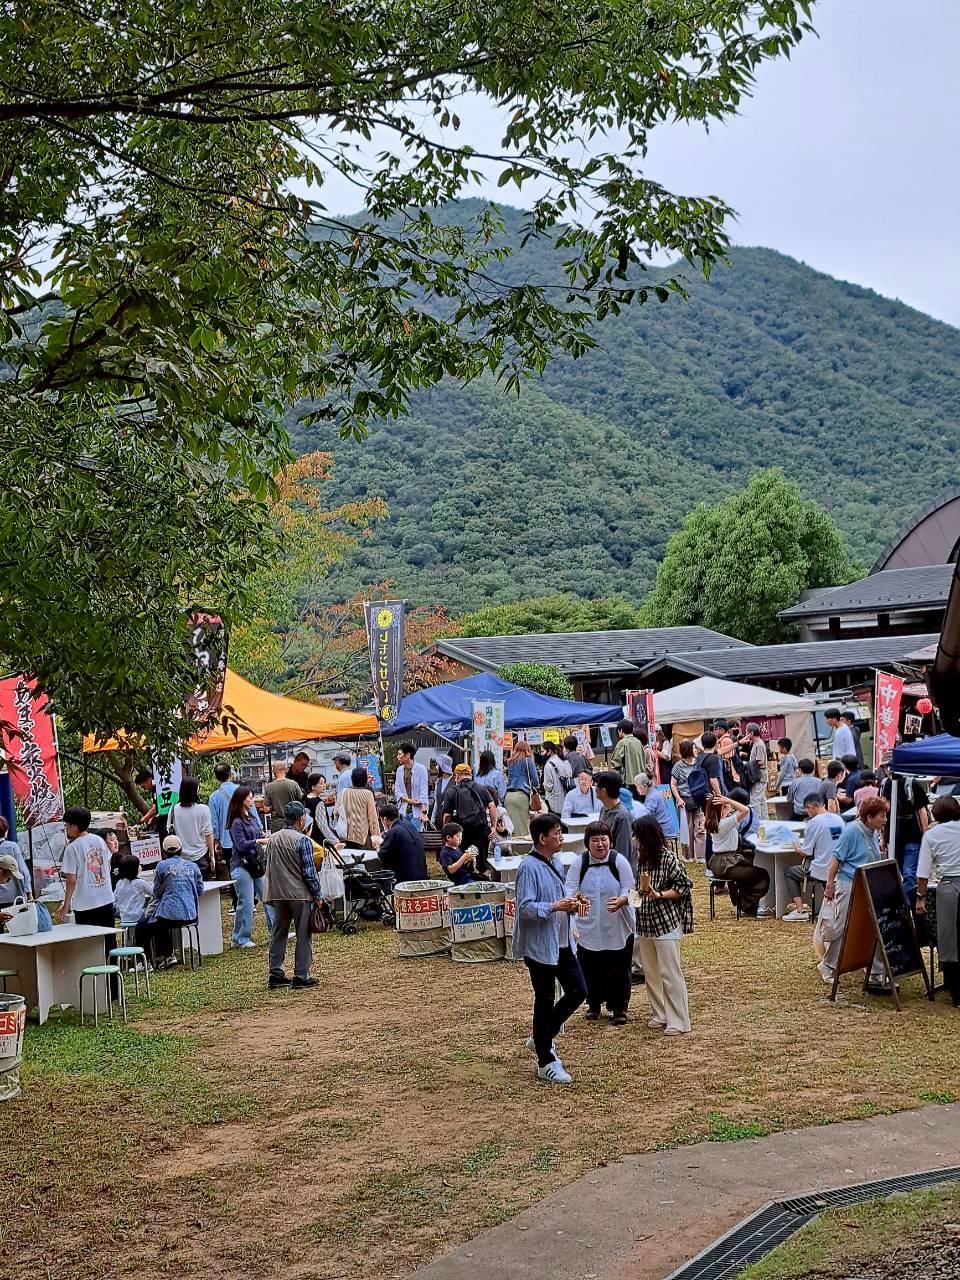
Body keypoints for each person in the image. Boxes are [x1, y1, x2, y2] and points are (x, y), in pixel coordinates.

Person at [514, 814, 586, 1084]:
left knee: (579, 991)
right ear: (542, 838)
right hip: (540, 946)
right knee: (544, 999)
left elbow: (559, 898)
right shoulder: (528, 868)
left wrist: (572, 904)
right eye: (556, 833)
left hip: (562, 941)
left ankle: (542, 1035)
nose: (561, 837)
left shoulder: (556, 861)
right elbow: (525, 908)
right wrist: (556, 906)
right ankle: (545, 1061)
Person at [564, 821, 635, 1024]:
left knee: (619, 967)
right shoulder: (581, 862)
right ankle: (593, 1003)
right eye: (595, 840)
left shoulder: (618, 861)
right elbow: (570, 887)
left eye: (604, 839)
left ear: (610, 841)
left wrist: (622, 900)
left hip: (616, 924)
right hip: (589, 925)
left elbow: (630, 887)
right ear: (587, 843)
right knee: (590, 966)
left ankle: (619, 1007)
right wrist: (575, 900)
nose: (600, 844)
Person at [819, 796, 890, 986]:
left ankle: (876, 970)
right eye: (881, 816)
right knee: (843, 926)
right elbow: (835, 860)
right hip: (849, 884)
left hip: (868, 884)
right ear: (869, 817)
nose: (885, 819)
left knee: (871, 927)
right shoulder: (851, 831)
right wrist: (829, 886)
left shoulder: (873, 832)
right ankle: (828, 964)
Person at [632, 814, 693, 1034]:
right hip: (645, 923)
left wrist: (661, 894)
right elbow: (639, 890)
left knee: (670, 973)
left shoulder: (668, 859)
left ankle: (678, 1020)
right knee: (651, 973)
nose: (634, 840)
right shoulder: (642, 860)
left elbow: (684, 886)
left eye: (637, 836)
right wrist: (626, 900)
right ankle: (660, 1013)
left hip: (665, 923)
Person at [264, 801, 324, 989]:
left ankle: (276, 973)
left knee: (278, 933)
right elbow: (309, 872)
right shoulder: (302, 840)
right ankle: (301, 975)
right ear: (301, 820)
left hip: (277, 892)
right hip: (299, 894)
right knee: (303, 934)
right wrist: (318, 895)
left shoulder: (272, 839)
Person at [916, 795, 960, 1007]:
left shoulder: (931, 836)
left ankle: (956, 991)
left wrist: (920, 897)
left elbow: (923, 873)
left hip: (948, 888)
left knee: (949, 938)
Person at [135, 834, 204, 969]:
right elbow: (200, 890)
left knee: (143, 926)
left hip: (168, 916)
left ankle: (149, 960)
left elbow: (156, 892)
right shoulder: (193, 866)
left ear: (164, 851)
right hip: (190, 915)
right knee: (160, 923)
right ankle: (167, 956)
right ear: (181, 849)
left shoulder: (161, 866)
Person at [56, 809, 115, 964]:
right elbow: (107, 865)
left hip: (85, 905)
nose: (66, 828)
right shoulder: (99, 840)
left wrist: (66, 904)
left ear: (74, 826)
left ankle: (96, 983)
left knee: (90, 948)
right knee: (109, 945)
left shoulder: (72, 848)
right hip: (106, 900)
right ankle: (113, 984)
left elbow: (71, 880)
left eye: (67, 825)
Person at [705, 793, 769, 917]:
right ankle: (758, 906)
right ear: (722, 808)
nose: (730, 807)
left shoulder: (712, 822)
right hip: (728, 863)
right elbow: (745, 810)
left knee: (745, 876)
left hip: (718, 862)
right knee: (762, 874)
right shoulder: (724, 824)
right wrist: (728, 799)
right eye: (727, 805)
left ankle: (746, 905)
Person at [227, 786, 275, 948]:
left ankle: (276, 931)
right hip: (242, 864)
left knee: (268, 897)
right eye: (250, 797)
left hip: (256, 863)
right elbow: (240, 845)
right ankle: (240, 938)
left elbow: (257, 833)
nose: (252, 800)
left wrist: (262, 836)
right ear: (242, 800)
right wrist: (258, 841)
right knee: (246, 902)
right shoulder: (236, 822)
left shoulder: (252, 817)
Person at [782, 792, 843, 921]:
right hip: (839, 868)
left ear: (810, 807)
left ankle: (800, 910)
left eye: (807, 810)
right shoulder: (838, 819)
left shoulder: (813, 823)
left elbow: (806, 852)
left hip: (820, 870)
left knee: (789, 872)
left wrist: (797, 848)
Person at [880, 772, 929, 900]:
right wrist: (883, 836)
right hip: (893, 838)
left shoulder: (912, 784)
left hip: (913, 836)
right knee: (897, 872)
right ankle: (904, 905)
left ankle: (908, 906)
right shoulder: (885, 784)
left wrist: (926, 836)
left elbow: (921, 810)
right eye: (885, 766)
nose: (888, 769)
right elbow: (883, 812)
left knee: (908, 873)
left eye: (890, 765)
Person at [443, 763, 497, 872]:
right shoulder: (481, 788)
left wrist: (446, 831)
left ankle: (465, 881)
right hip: (481, 830)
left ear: (457, 775)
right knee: (482, 862)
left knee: (461, 861)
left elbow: (447, 816)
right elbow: (492, 806)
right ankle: (483, 880)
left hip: (460, 833)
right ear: (470, 775)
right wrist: (493, 826)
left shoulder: (452, 791)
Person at [167, 777, 215, 878]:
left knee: (184, 888)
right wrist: (212, 855)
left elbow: (169, 830)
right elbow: (208, 834)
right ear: (194, 792)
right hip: (201, 856)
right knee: (202, 889)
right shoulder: (203, 810)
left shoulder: (173, 810)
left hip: (180, 857)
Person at [594, 771, 635, 872]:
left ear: (603, 791)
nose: (594, 789)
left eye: (596, 787)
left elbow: (623, 853)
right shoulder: (604, 809)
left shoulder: (622, 817)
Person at [670, 739, 703, 863]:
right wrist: (678, 799)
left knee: (700, 827)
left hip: (698, 799)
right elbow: (673, 784)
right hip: (684, 800)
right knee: (687, 828)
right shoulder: (678, 766)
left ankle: (701, 856)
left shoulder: (698, 763)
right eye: (693, 747)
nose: (695, 749)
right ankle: (688, 855)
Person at [378, 803, 428, 883]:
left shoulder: (393, 831)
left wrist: (376, 844)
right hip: (422, 875)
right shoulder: (409, 825)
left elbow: (382, 855)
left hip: (406, 880)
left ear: (385, 819)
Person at [633, 774, 680, 851]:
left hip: (665, 832)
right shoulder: (654, 791)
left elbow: (644, 815)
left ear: (644, 786)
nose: (636, 789)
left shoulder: (651, 798)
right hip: (667, 829)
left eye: (637, 786)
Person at [208, 762, 238, 879]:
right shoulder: (242, 791)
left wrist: (216, 840)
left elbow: (213, 822)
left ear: (216, 778)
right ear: (230, 774)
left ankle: (235, 895)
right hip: (244, 836)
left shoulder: (213, 797)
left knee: (232, 868)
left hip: (226, 840)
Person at [505, 740, 541, 839]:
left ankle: (511, 850)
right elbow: (535, 780)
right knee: (522, 829)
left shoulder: (510, 761)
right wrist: (536, 790)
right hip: (521, 796)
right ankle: (521, 851)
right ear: (528, 749)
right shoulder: (528, 760)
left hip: (508, 796)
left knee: (512, 827)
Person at [338, 766, 381, 849]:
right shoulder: (368, 793)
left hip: (346, 836)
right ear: (365, 778)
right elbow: (373, 819)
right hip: (362, 837)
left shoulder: (344, 792)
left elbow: (336, 812)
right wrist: (376, 838)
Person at [394, 741, 429, 830]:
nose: (397, 757)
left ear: (407, 755)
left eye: (399, 754)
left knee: (415, 838)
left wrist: (424, 812)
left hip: (417, 813)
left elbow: (424, 791)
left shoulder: (421, 769)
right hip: (403, 811)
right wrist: (409, 801)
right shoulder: (399, 770)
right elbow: (397, 790)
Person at [263, 762, 304, 834]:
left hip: (277, 824)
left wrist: (274, 806)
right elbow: (302, 801)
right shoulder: (293, 784)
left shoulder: (269, 787)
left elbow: (266, 810)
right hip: (293, 823)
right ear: (286, 770)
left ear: (273, 771)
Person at [742, 723, 769, 821]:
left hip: (759, 776)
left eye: (746, 733)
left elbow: (761, 762)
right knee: (761, 800)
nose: (745, 735)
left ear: (751, 733)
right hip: (761, 776)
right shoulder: (758, 744)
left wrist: (746, 764)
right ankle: (764, 820)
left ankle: (757, 820)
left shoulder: (759, 745)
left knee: (755, 799)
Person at [135, 767, 168, 841]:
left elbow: (155, 808)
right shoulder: (154, 791)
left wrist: (141, 821)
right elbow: (155, 808)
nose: (144, 789)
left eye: (143, 786)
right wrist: (149, 824)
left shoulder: (159, 788)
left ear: (149, 780)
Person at [542, 740, 573, 816]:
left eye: (542, 751)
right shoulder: (565, 761)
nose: (541, 754)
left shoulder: (548, 765)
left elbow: (549, 787)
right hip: (567, 801)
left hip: (554, 803)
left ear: (549, 751)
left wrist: (544, 784)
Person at [611, 719, 647, 784]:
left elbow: (615, 762)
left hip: (628, 781)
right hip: (641, 780)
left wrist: (621, 769)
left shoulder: (622, 742)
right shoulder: (638, 742)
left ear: (621, 730)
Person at [696, 731, 726, 800]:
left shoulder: (700, 756)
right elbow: (713, 779)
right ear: (715, 743)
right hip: (712, 794)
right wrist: (720, 796)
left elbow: (721, 751)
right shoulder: (713, 758)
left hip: (703, 792)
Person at [430, 754, 455, 827]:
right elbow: (436, 801)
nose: (436, 767)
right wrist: (433, 818)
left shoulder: (455, 781)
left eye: (438, 765)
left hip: (452, 821)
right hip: (439, 819)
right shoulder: (438, 781)